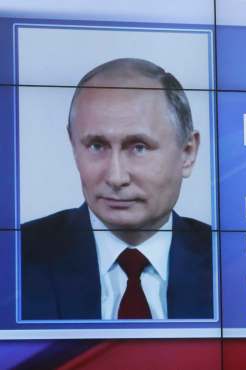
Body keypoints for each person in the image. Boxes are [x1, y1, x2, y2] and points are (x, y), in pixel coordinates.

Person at [21, 58, 212, 320]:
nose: (116, 177)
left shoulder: (231, 261)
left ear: (188, 153)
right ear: (73, 147)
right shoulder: (15, 258)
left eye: (139, 147)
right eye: (96, 146)